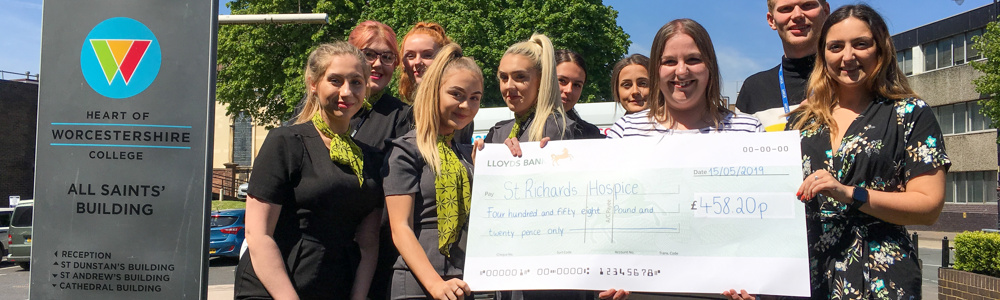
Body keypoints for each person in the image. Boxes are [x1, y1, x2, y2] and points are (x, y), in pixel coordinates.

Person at [789, 5, 949, 299]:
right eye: (835, 46)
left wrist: (850, 193)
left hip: (882, 275)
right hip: (809, 273)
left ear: (881, 49)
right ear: (823, 55)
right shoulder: (801, 122)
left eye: (861, 44)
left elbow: (929, 207)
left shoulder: (909, 113)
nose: (847, 56)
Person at [234, 42, 384, 300]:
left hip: (335, 285)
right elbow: (258, 234)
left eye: (356, 82)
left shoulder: (371, 158)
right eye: (335, 80)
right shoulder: (286, 142)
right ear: (313, 83)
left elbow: (368, 241)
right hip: (274, 289)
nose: (346, 92)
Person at [382, 43, 481, 300]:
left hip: (464, 282)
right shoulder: (405, 150)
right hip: (418, 286)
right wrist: (436, 285)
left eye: (475, 98)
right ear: (433, 92)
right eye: (456, 95)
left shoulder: (468, 155)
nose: (466, 106)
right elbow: (400, 228)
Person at [346, 20, 414, 300]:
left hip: (378, 249)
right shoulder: (327, 111)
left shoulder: (404, 117)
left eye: (387, 57)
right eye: (368, 54)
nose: (377, 64)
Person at [608, 19, 762, 139]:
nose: (681, 71)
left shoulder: (749, 130)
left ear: (710, 66)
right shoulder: (624, 131)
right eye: (669, 61)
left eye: (693, 59)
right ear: (656, 71)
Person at [736, 0, 830, 132]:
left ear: (825, 12)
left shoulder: (849, 81)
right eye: (786, 9)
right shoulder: (754, 90)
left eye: (807, 5)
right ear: (771, 20)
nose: (797, 15)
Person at [485, 33, 575, 144]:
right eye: (503, 77)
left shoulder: (554, 128)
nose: (509, 86)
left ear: (541, 80)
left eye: (520, 77)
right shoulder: (498, 132)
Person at [399, 22, 473, 144]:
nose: (417, 62)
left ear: (444, 59)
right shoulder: (399, 114)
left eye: (427, 55)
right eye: (410, 56)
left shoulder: (457, 111)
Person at [555, 49, 604, 139]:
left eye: (577, 85)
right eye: (562, 80)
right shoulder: (522, 124)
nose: (569, 90)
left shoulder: (590, 134)